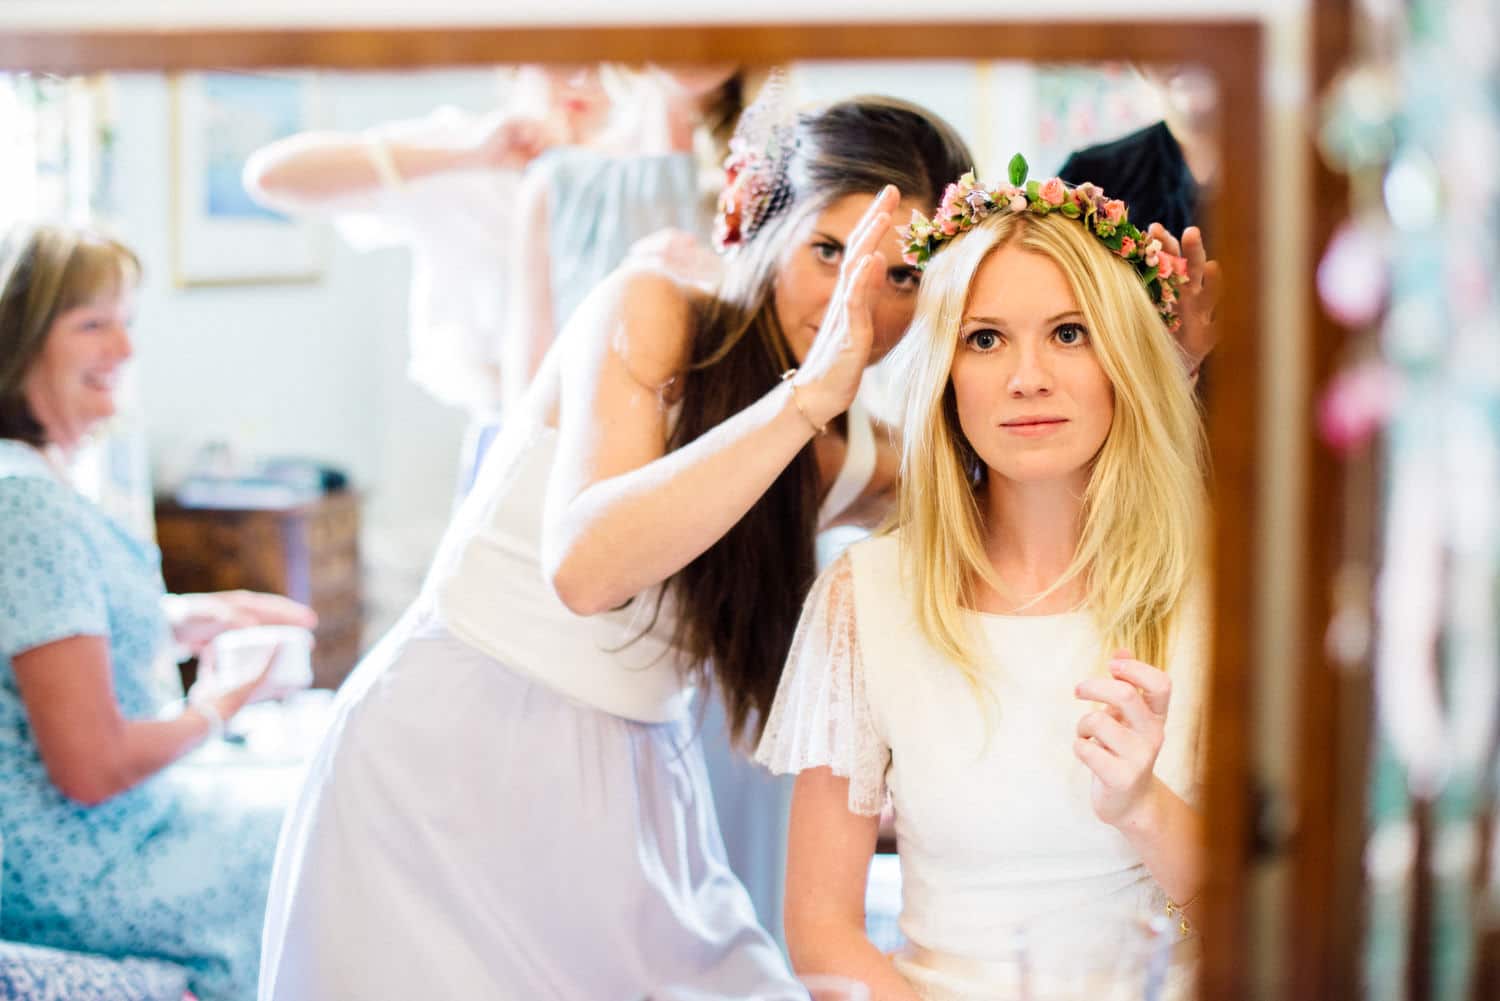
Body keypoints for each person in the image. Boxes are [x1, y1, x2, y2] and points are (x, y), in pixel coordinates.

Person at [257, 95, 975, 1001]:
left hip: (630, 784)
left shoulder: (860, 455)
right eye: (829, 251)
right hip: (447, 758)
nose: (855, 300)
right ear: (762, 223)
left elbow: (1007, 526)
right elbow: (587, 568)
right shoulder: (653, 314)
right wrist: (803, 402)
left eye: (902, 276)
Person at [756, 163, 1212, 1000]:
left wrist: (1144, 804)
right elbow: (822, 930)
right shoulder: (869, 598)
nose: (1027, 376)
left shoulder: (1213, 597)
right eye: (985, 338)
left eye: (1069, 333)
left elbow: (1262, 920)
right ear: (945, 377)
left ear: (1124, 360)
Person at [0, 222, 319, 1001]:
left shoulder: (33, 480)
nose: (125, 349)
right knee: (308, 840)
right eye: (92, 324)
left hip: (102, 834)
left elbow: (46, 621)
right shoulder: (26, 502)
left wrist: (185, 617)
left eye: (127, 322)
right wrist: (215, 708)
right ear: (23, 341)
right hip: (76, 868)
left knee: (311, 791)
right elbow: (92, 765)